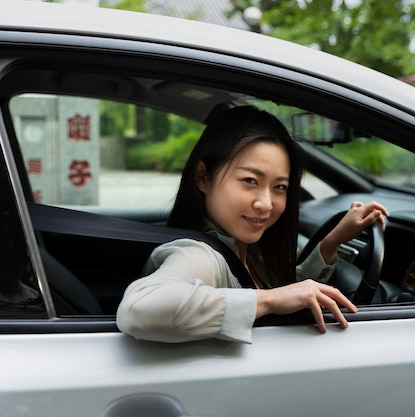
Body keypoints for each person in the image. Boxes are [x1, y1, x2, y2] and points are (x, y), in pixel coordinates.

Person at [116, 105, 389, 343]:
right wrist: (270, 301)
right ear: (202, 177)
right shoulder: (200, 255)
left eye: (280, 187)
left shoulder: (246, 250)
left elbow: (291, 292)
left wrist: (333, 240)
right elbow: (139, 309)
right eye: (250, 181)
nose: (266, 204)